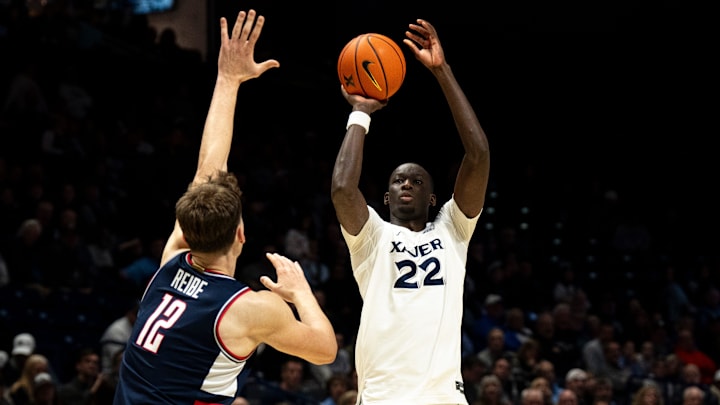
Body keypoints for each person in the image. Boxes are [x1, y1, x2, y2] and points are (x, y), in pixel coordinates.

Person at [113, 9, 337, 405]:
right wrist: (301, 291)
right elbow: (325, 350)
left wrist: (228, 78)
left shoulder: (170, 262)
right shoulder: (248, 308)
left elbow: (207, 171)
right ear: (240, 234)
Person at [330, 17, 490, 404]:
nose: (406, 184)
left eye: (417, 181)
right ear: (384, 198)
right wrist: (361, 112)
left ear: (434, 199)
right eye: (399, 180)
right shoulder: (372, 238)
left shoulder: (452, 230)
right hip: (385, 396)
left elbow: (479, 154)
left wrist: (442, 71)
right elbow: (341, 188)